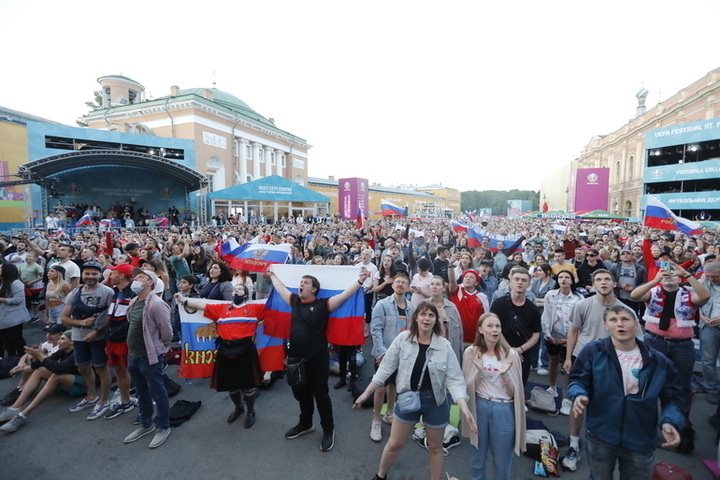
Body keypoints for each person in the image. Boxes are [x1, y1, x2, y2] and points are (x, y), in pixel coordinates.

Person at [353, 302, 477, 480]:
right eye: (423, 314)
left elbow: (455, 379)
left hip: (436, 402)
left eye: (431, 315)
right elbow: (386, 368)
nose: (427, 319)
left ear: (435, 320)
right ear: (416, 318)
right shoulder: (403, 339)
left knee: (435, 448)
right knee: (394, 444)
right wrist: (366, 393)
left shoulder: (444, 345)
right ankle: (380, 476)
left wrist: (463, 407)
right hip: (407, 399)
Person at [568, 305, 684, 480]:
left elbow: (675, 398)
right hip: (600, 435)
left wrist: (671, 421)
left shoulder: (659, 361)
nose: (619, 324)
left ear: (636, 324)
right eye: (613, 320)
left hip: (640, 439)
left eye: (625, 319)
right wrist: (578, 394)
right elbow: (577, 379)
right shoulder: (593, 351)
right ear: (606, 325)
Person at [267, 266, 369, 452]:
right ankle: (305, 423)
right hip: (296, 358)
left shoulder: (323, 305)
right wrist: (272, 274)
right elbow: (281, 289)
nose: (301, 285)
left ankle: (328, 430)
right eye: (300, 283)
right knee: (301, 394)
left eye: (305, 283)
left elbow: (345, 295)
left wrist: (360, 280)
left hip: (317, 359)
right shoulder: (295, 301)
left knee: (320, 396)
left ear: (314, 288)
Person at [562, 269, 640, 471]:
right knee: (578, 403)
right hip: (583, 360)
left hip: (612, 364)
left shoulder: (625, 310)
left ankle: (606, 447)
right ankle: (573, 445)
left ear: (614, 283)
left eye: (607, 279)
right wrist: (569, 357)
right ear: (593, 284)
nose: (603, 282)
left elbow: (636, 342)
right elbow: (573, 332)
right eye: (598, 280)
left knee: (607, 405)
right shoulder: (583, 305)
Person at [630, 261, 710, 445]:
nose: (668, 276)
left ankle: (680, 426)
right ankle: (646, 427)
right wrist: (655, 281)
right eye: (664, 274)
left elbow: (705, 296)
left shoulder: (689, 294)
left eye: (672, 274)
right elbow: (635, 295)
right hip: (654, 342)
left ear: (680, 278)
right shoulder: (654, 292)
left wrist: (688, 275)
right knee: (648, 383)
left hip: (681, 347)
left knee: (681, 388)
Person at [178, 284, 264, 428]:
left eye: (240, 289)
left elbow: (275, 304)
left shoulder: (255, 308)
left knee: (248, 387)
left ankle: (250, 412)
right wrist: (183, 300)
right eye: (235, 289)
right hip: (225, 350)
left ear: (246, 294)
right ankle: (238, 408)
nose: (236, 290)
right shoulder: (222, 308)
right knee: (231, 386)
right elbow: (201, 305)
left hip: (246, 351)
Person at [463, 312, 526, 480]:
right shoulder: (471, 352)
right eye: (490, 326)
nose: (495, 330)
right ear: (480, 330)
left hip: (503, 409)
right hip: (480, 406)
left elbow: (515, 393)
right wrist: (478, 370)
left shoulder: (511, 355)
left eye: (497, 326)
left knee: (502, 461)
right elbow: (467, 388)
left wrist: (504, 376)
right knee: (477, 457)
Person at [122, 268, 173, 449]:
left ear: (150, 282)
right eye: (135, 276)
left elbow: (167, 331)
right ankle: (146, 424)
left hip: (150, 357)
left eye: (140, 277)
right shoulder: (135, 301)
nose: (135, 279)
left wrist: (161, 349)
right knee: (142, 392)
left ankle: (163, 426)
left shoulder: (156, 304)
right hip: (133, 355)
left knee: (157, 392)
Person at [0, 330, 87, 433]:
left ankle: (23, 415)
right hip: (69, 383)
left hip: (83, 385)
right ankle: (15, 408)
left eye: (62, 339)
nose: (59, 341)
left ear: (72, 341)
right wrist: (37, 356)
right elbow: (37, 366)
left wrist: (40, 356)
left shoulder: (78, 352)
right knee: (39, 371)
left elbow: (59, 368)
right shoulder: (62, 351)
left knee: (55, 376)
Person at [61, 261, 114, 420]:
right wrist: (80, 323)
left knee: (101, 369)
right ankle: (91, 397)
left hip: (100, 338)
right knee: (83, 368)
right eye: (87, 274)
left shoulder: (107, 292)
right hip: (78, 337)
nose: (90, 277)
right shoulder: (75, 293)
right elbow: (64, 318)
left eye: (94, 274)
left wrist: (97, 331)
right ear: (82, 275)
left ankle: (104, 401)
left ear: (100, 275)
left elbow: (113, 317)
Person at [370, 271, 416, 442]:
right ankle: (376, 420)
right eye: (397, 282)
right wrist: (381, 353)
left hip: (403, 354)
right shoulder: (382, 305)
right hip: (385, 352)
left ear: (408, 287)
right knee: (380, 387)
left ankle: (389, 413)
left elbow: (413, 332)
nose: (400, 285)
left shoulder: (412, 307)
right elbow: (376, 330)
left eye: (404, 282)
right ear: (392, 285)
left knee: (395, 385)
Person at [541, 270, 584, 416]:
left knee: (568, 366)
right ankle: (552, 387)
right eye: (560, 277)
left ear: (572, 280)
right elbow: (546, 315)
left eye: (567, 277)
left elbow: (580, 322)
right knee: (553, 361)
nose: (563, 279)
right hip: (553, 335)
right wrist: (547, 334)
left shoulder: (579, 298)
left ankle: (566, 397)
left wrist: (569, 339)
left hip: (570, 337)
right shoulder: (550, 295)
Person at [490, 267, 541, 384]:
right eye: (516, 279)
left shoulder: (533, 309)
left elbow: (535, 335)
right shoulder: (499, 303)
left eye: (523, 280)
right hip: (498, 351)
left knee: (519, 387)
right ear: (510, 281)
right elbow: (494, 329)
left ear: (528, 284)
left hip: (523, 354)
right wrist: (510, 350)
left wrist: (519, 350)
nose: (520, 282)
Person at [100, 263, 137, 419]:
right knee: (119, 370)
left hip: (125, 339)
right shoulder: (115, 292)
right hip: (112, 338)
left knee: (133, 371)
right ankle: (125, 399)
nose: (109, 275)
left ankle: (138, 399)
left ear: (121, 276)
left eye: (113, 273)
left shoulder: (134, 294)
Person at [449, 268, 489, 349]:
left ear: (476, 282)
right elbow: (452, 280)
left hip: (475, 341)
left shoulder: (482, 297)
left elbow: (486, 318)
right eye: (466, 276)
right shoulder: (458, 291)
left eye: (471, 277)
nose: (468, 278)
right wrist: (450, 266)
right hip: (458, 339)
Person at [699, 262, 720, 404]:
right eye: (708, 276)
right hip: (709, 325)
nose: (711, 279)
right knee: (708, 360)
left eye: (715, 276)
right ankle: (711, 388)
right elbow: (693, 300)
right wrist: (700, 316)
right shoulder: (702, 282)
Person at [0, 263, 30, 359]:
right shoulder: (2, 283)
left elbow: (19, 299)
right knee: (6, 340)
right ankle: (12, 359)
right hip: (4, 318)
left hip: (14, 317)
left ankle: (24, 357)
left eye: (1, 268)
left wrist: (3, 300)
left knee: (16, 339)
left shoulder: (15, 283)